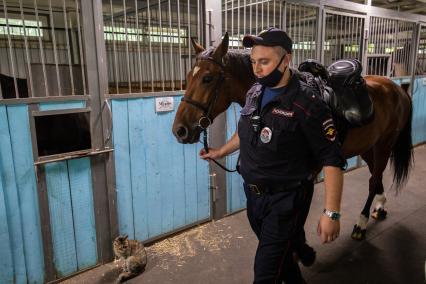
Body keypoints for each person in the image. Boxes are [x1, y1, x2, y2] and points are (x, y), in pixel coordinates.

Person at [200, 27, 346, 284]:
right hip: (254, 198)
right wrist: (220, 151)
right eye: (254, 62)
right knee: (282, 260)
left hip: (286, 200)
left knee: (265, 274)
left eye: (264, 62)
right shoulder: (255, 92)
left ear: (285, 59)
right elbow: (246, 131)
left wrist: (331, 212)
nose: (257, 69)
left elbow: (332, 158)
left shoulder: (307, 102)